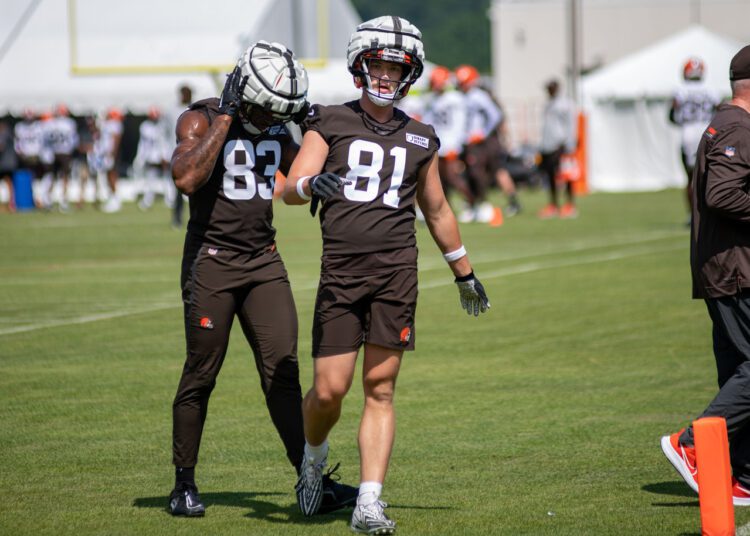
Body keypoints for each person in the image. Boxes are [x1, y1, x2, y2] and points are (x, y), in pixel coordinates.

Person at [283, 16, 491, 533]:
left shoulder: (421, 137)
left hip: (397, 273)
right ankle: (312, 463)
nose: (384, 74)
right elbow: (287, 188)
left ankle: (369, 502)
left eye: (395, 66)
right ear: (360, 64)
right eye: (377, 63)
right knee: (329, 391)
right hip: (342, 273)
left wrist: (463, 272)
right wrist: (312, 185)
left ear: (411, 73)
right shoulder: (328, 120)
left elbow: (438, 210)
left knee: (380, 388)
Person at [167, 41, 356, 518]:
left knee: (283, 373)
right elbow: (187, 178)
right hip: (212, 260)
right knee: (201, 373)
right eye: (266, 108)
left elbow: (298, 177)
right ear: (244, 94)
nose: (274, 119)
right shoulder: (201, 119)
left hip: (263, 260)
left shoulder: (273, 125)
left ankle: (310, 481)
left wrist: (319, 181)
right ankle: (183, 483)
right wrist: (228, 117)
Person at [660, 44, 750, 507]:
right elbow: (721, 194)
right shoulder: (737, 125)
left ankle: (738, 473)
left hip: (726, 265)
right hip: (735, 268)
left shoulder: (724, 122)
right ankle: (691, 443)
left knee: (739, 370)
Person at [455, 64, 521, 224]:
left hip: (485, 142)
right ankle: (477, 204)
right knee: (476, 172)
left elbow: (495, 115)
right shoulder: (465, 97)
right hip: (473, 142)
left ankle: (488, 204)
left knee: (488, 171)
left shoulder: (478, 96)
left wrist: (483, 133)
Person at [669, 57, 721, 221]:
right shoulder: (711, 90)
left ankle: (693, 215)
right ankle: (711, 211)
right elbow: (721, 111)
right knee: (711, 175)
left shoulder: (680, 90)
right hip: (709, 132)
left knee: (690, 178)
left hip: (688, 134)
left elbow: (672, 115)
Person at [421, 66, 474, 209]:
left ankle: (473, 204)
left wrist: (457, 143)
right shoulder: (434, 100)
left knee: (452, 177)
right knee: (441, 180)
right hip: (439, 143)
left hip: (451, 143)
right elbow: (428, 121)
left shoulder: (454, 98)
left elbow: (460, 122)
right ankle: (446, 208)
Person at [538, 79, 578, 219]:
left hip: (561, 145)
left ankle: (570, 205)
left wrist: (569, 144)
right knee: (550, 176)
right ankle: (553, 205)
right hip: (548, 145)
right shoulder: (548, 104)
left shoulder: (565, 104)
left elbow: (571, 124)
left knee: (567, 176)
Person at [166, 85, 193, 227]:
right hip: (176, 153)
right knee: (178, 188)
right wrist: (164, 152)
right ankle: (177, 218)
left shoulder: (196, 110)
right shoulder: (171, 111)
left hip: (193, 154)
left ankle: (196, 218)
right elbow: (164, 132)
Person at [134, 106, 169, 211]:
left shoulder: (163, 125)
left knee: (167, 179)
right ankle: (147, 201)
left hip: (163, 156)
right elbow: (143, 144)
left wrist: (165, 155)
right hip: (151, 156)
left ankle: (170, 200)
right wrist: (140, 157)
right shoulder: (145, 126)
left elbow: (164, 142)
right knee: (150, 180)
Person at [99, 108, 124, 213]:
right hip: (107, 153)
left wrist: (112, 153)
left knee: (111, 175)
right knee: (108, 175)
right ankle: (112, 197)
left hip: (110, 154)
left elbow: (115, 139)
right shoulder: (109, 124)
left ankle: (115, 199)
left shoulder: (114, 124)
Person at [0, 119, 17, 212]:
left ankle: (11, 204)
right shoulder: (9, 133)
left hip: (5, 164)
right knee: (9, 183)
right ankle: (11, 204)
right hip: (9, 163)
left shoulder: (4, 134)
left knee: (8, 182)